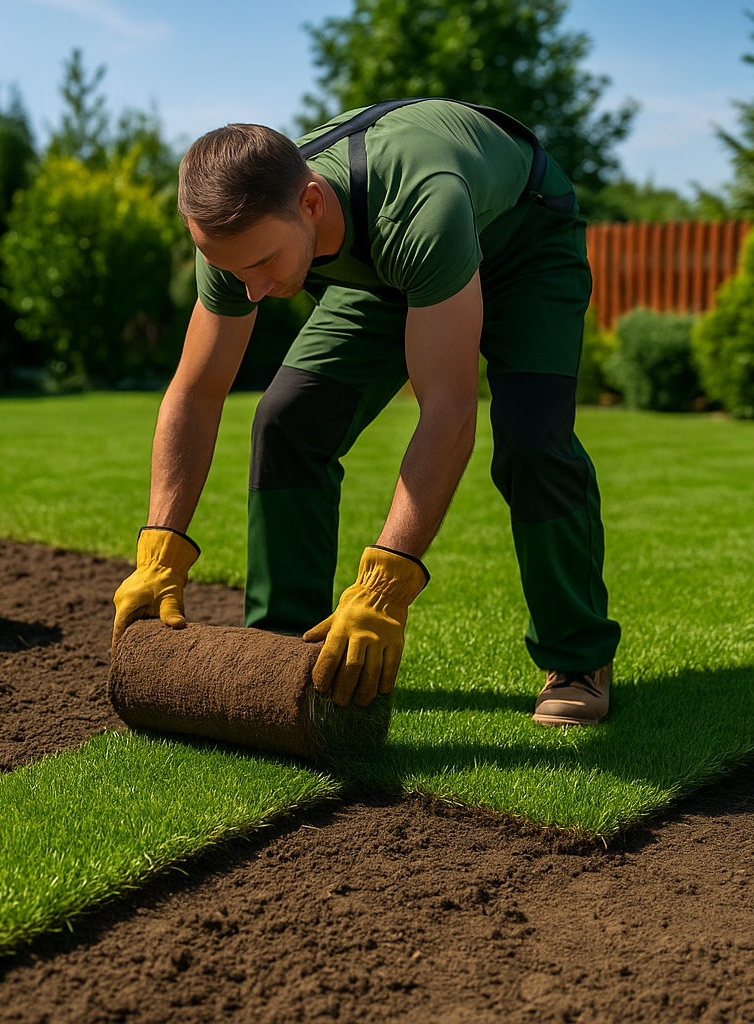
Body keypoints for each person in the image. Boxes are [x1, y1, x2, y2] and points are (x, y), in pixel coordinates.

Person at [112, 97, 621, 727]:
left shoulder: (418, 204)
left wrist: (385, 584)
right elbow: (196, 391)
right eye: (230, 269)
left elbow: (450, 408)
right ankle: (279, 655)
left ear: (312, 202)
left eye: (263, 264)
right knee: (287, 421)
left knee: (531, 443)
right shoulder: (236, 234)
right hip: (388, 271)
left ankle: (576, 658)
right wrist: (160, 549)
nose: (252, 290)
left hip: (522, 241)